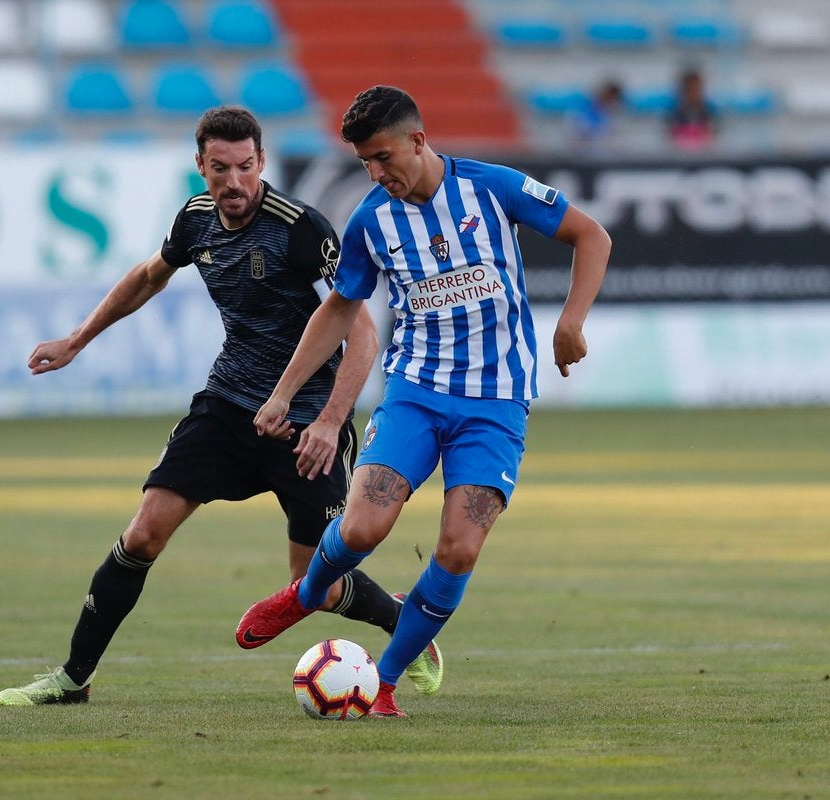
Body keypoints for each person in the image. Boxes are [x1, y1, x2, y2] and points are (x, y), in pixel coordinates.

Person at [0, 106, 443, 706]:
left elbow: (361, 330)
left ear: (261, 162)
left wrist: (332, 422)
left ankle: (400, 623)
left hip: (306, 423)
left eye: (246, 167)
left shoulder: (301, 229)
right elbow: (150, 275)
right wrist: (77, 340)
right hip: (228, 407)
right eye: (219, 169)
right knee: (143, 535)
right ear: (200, 166)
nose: (234, 182)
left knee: (311, 586)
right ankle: (73, 679)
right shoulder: (195, 220)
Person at [235, 86, 611, 717]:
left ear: (418, 138)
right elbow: (339, 308)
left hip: (496, 401)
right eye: (365, 164)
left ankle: (382, 681)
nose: (378, 174)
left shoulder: (494, 188)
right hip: (416, 392)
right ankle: (309, 592)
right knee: (360, 528)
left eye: (384, 157)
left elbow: (591, 236)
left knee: (459, 548)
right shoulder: (371, 221)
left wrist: (571, 322)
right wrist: (284, 394)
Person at [666, 68, 717, 150]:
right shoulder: (674, 112)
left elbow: (714, 134)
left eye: (696, 89)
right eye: (690, 89)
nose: (693, 93)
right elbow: (670, 135)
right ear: (683, 91)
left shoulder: (710, 111)